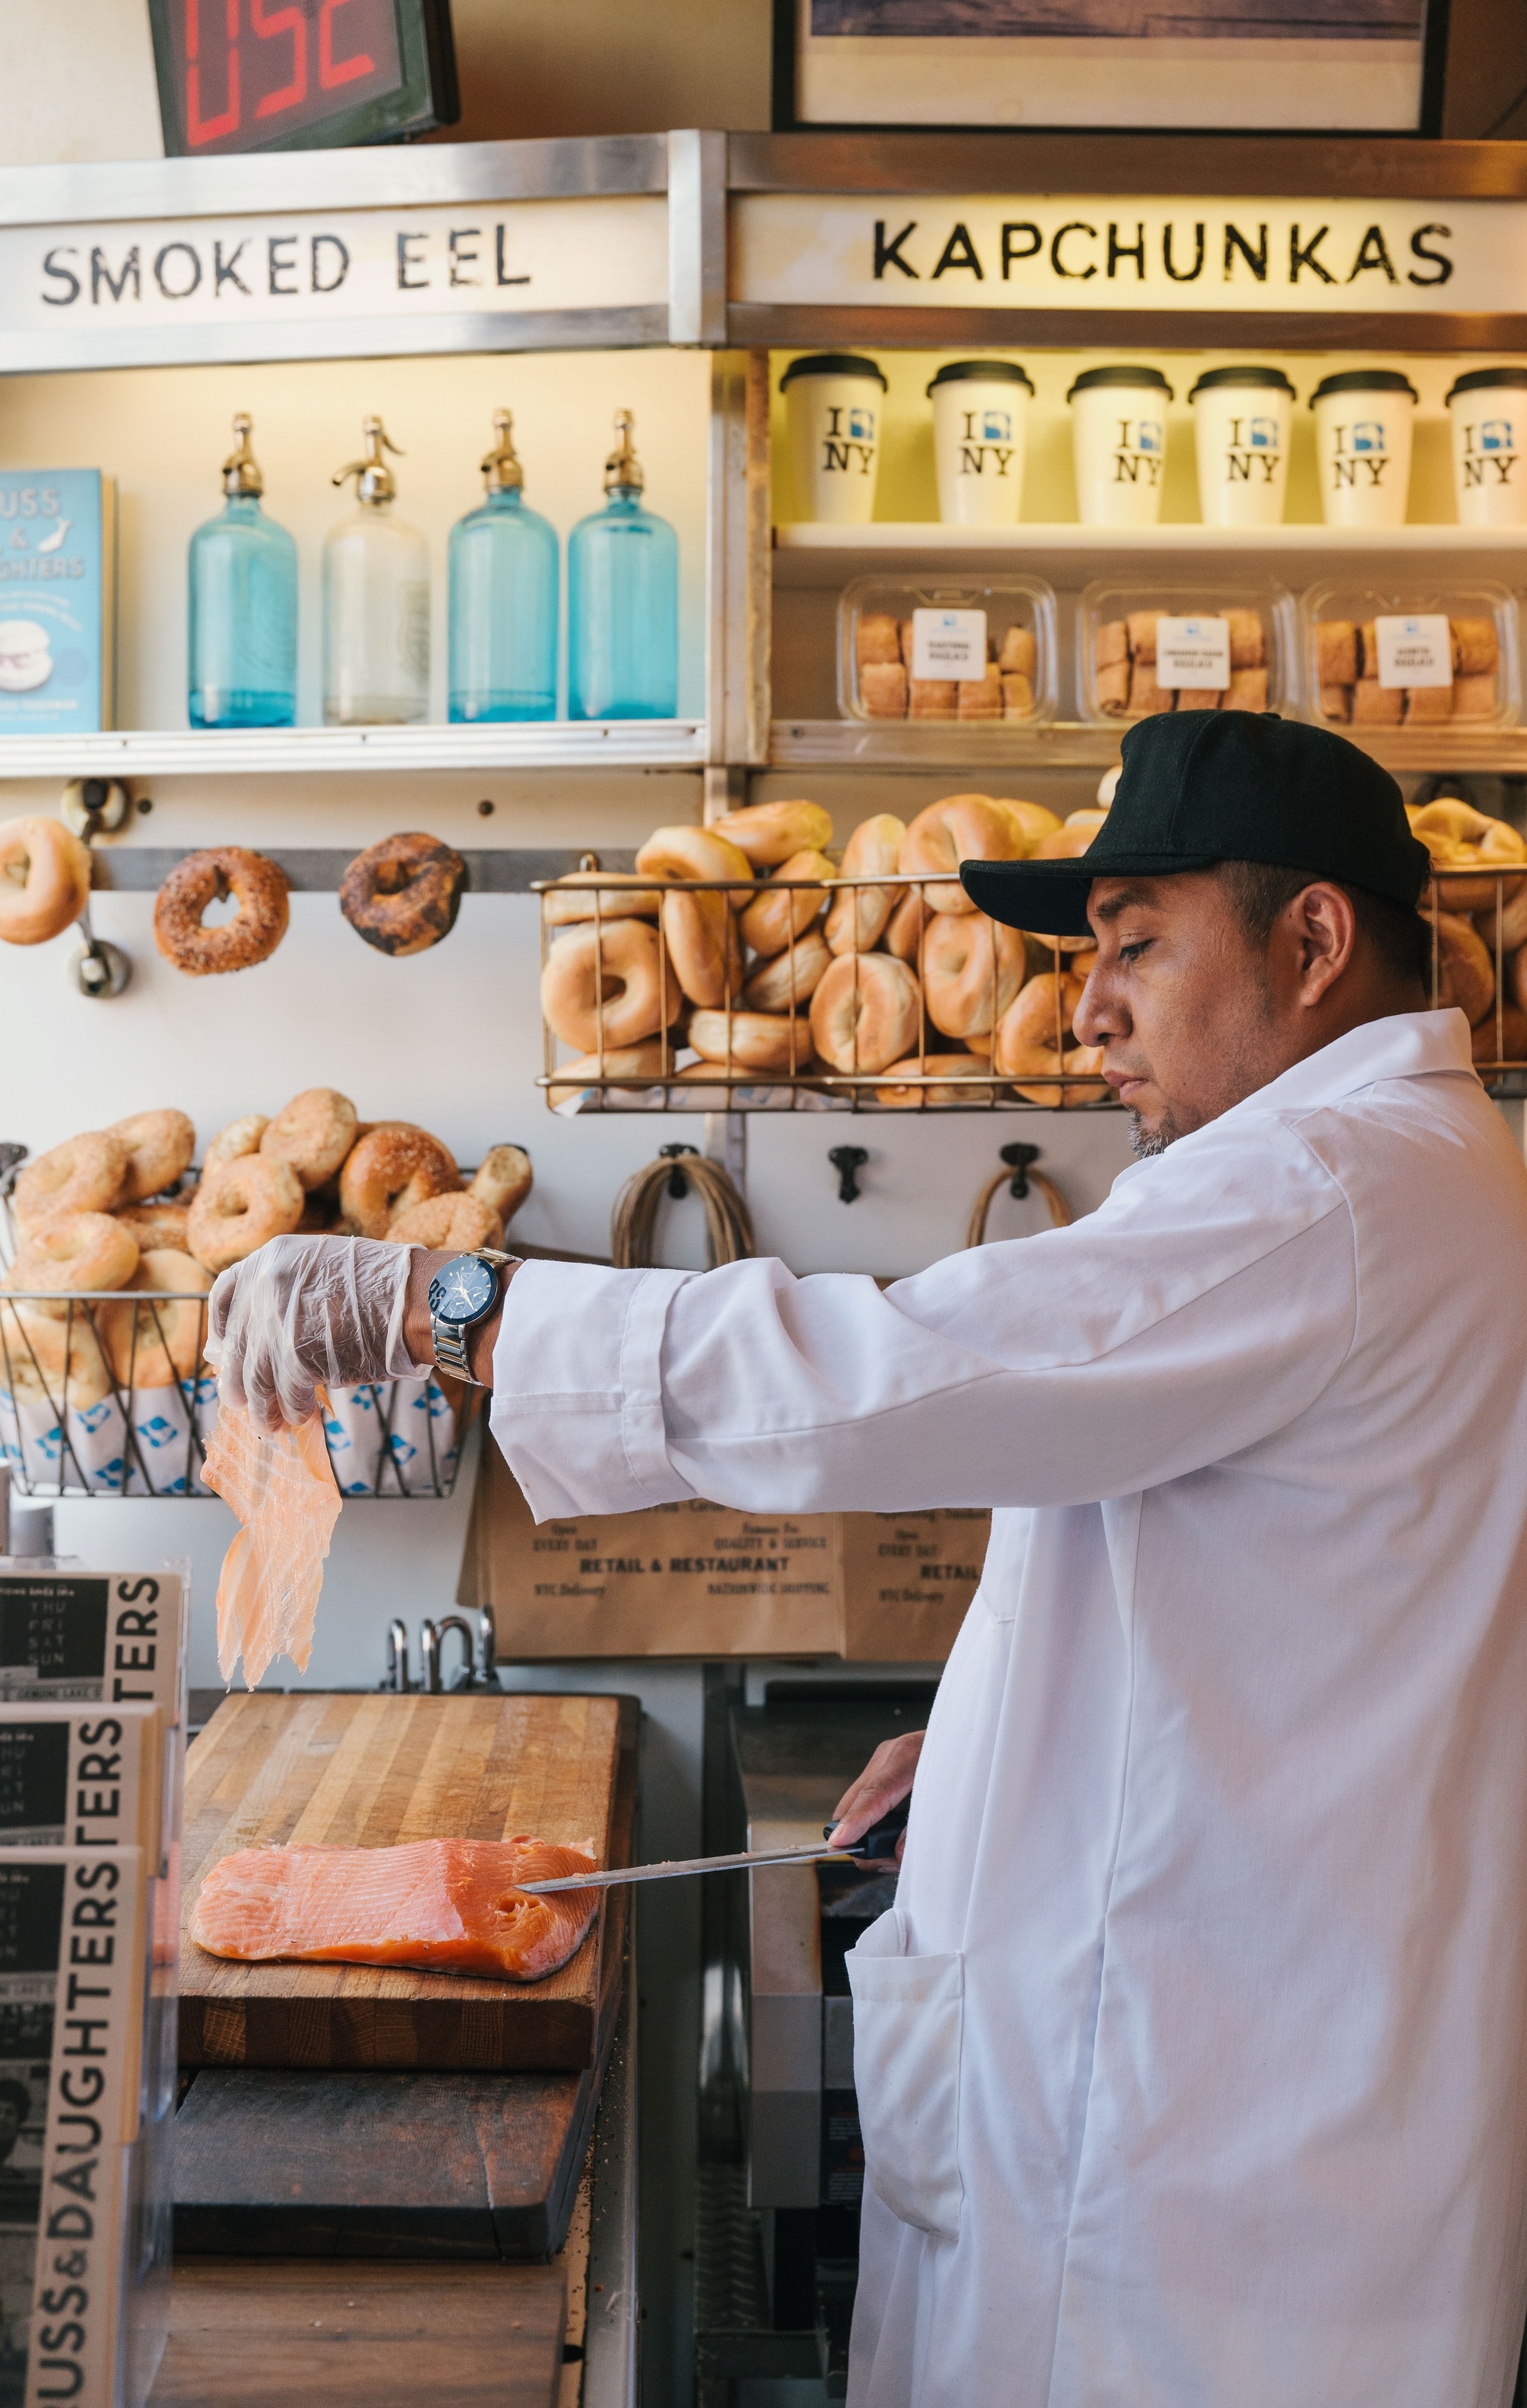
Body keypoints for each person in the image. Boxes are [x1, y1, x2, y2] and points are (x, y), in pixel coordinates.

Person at [209, 713, 1527, 2408]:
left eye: (1132, 946)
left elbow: (899, 1377)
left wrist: (448, 1302)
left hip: (1195, 2205)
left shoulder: (1319, 1184)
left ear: (1314, 939)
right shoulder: (1423, 1172)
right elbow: (1266, 1590)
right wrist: (988, 1742)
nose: (1087, 1006)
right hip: (1258, 2101)